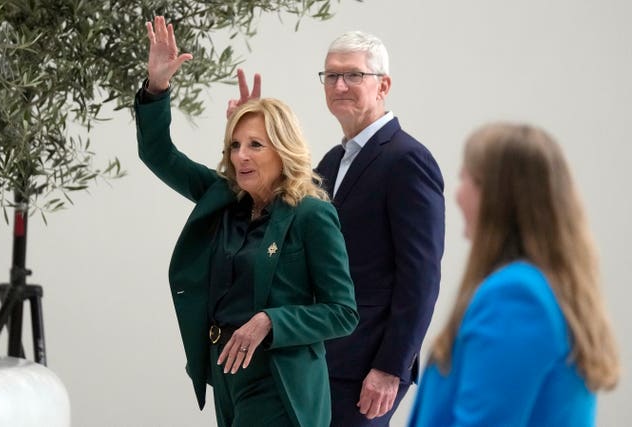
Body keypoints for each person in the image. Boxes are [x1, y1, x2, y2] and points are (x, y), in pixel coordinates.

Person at [135, 16, 359, 427]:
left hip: (279, 381)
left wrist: (271, 320)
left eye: (256, 144)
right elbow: (159, 155)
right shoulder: (224, 198)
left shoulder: (311, 214)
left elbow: (342, 311)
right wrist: (157, 88)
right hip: (226, 375)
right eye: (235, 144)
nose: (241, 155)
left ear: (283, 149)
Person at [228, 31, 445, 426]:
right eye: (330, 76)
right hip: (318, 361)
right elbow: (272, 208)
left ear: (384, 85)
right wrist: (248, 138)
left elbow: (421, 276)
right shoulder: (330, 163)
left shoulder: (407, 160)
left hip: (367, 368)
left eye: (353, 76)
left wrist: (390, 368)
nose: (339, 86)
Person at [409, 122, 620, 426]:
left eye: (465, 178)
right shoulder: (544, 287)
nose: (457, 195)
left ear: (496, 196)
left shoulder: (516, 296)